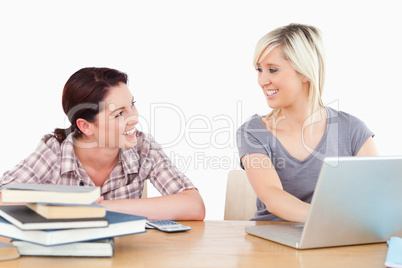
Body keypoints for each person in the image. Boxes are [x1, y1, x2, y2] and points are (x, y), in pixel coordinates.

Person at [0, 67, 205, 220]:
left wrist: (98, 207)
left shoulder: (143, 147)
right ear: (86, 126)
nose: (134, 118)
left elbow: (194, 206)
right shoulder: (55, 151)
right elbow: (3, 197)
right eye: (119, 114)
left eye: (132, 105)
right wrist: (62, 205)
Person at [236, 23, 378, 223]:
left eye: (272, 70)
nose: (262, 80)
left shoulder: (353, 130)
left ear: (304, 73)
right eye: (259, 70)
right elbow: (272, 196)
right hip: (272, 243)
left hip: (336, 239)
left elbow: (376, 195)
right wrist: (334, 219)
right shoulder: (253, 132)